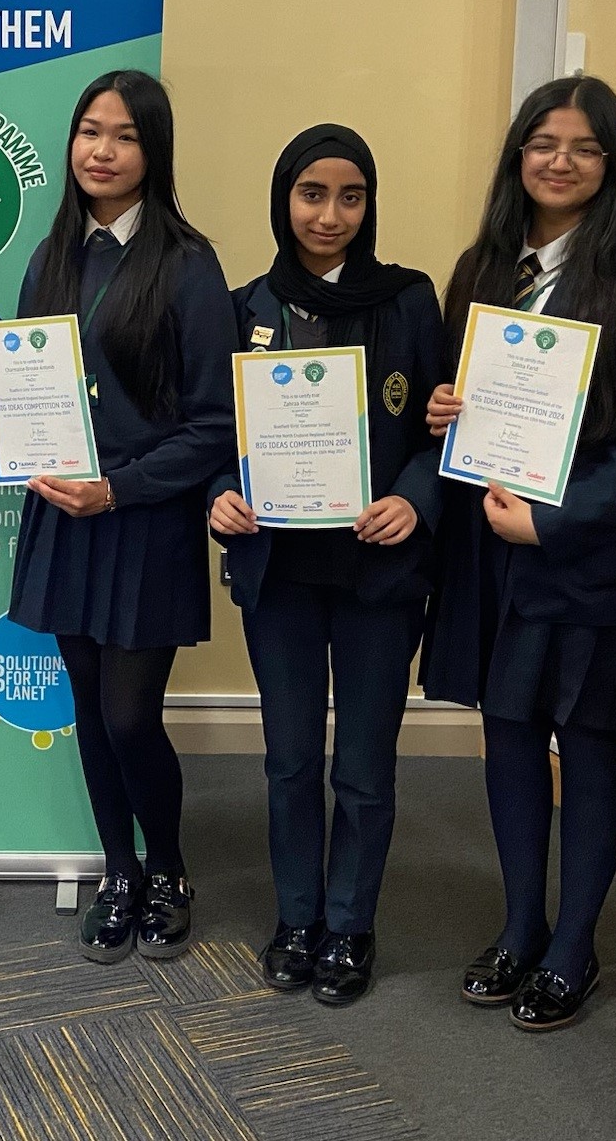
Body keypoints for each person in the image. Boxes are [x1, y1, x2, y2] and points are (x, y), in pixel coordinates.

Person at [0, 69, 234, 963]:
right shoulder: (51, 258)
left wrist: (117, 488)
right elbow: (23, 406)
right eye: (89, 131)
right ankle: (118, 872)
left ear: (154, 151)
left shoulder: (188, 264)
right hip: (62, 520)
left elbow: (215, 425)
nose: (102, 150)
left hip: (141, 520)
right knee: (88, 712)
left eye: (124, 135)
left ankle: (168, 869)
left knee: (130, 718)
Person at [423, 75, 616, 1031]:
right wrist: (444, 410)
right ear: (518, 156)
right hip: (493, 552)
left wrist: (553, 520)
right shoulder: (484, 268)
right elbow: (461, 403)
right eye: (543, 143)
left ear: (612, 164)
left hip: (590, 556)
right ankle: (519, 926)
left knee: (586, 740)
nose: (561, 161)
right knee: (506, 733)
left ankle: (575, 944)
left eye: (584, 147)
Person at [208, 125, 446, 1004]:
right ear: (285, 199)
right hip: (280, 574)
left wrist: (415, 498)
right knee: (290, 759)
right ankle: (298, 917)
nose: (330, 214)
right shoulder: (243, 306)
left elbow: (444, 426)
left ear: (369, 204)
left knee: (365, 765)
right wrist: (219, 494)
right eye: (312, 194)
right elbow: (212, 432)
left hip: (379, 570)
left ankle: (350, 923)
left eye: (351, 196)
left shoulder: (409, 300)